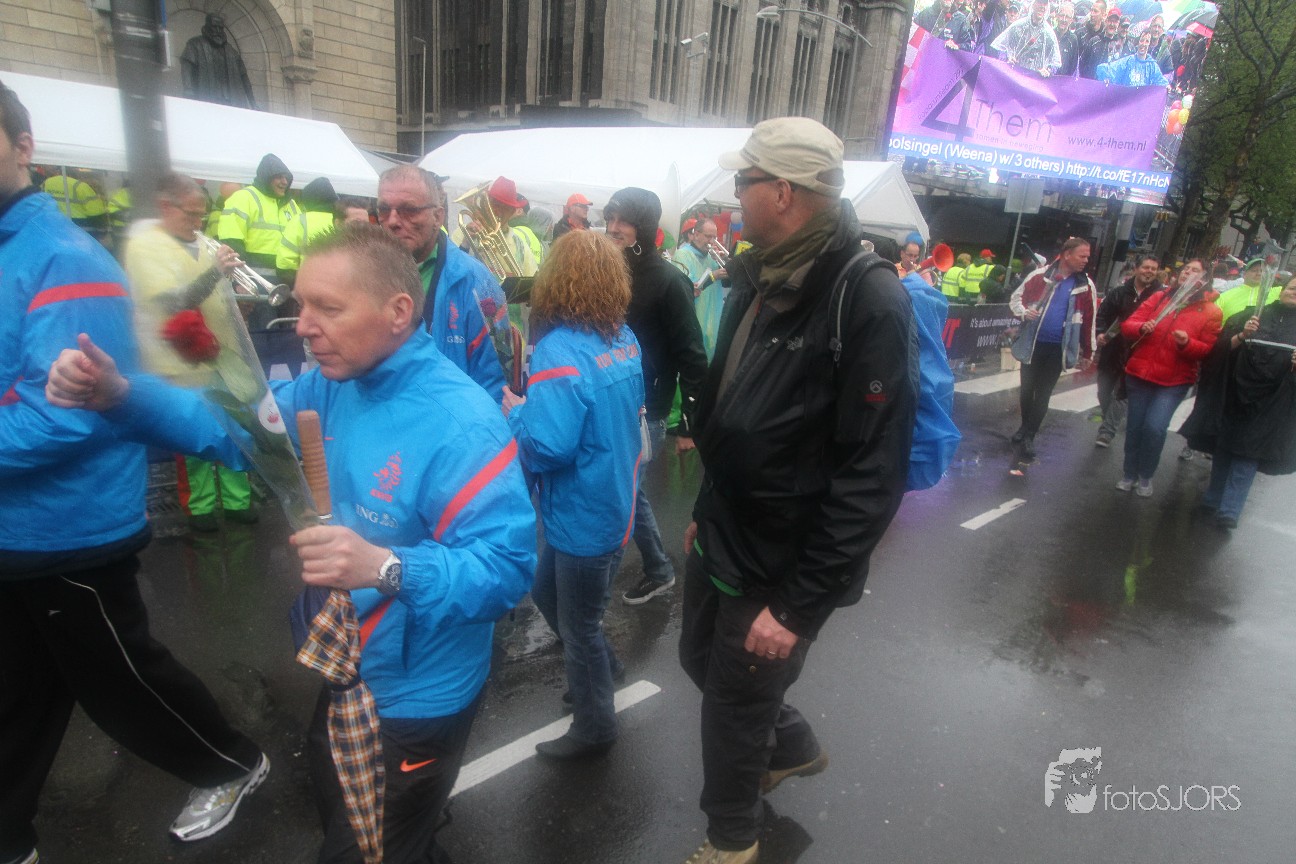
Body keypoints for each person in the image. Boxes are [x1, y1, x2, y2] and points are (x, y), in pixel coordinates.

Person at [45, 223, 537, 863]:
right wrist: (120, 395)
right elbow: (236, 429)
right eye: (301, 304)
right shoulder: (330, 383)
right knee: (363, 830)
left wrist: (386, 565)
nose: (302, 326)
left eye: (327, 307)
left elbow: (506, 569)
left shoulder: (461, 424)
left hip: (415, 700)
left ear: (398, 312)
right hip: (344, 671)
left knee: (367, 850)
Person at [0, 79, 266, 863]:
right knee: (21, 688)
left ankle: (233, 763)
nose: (198, 216)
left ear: (24, 147)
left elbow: (68, 412)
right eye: (191, 208)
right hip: (27, 520)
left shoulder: (64, 255)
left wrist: (210, 281)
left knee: (122, 683)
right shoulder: (100, 245)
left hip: (67, 527)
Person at [679, 117, 917, 864]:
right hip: (727, 532)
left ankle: (732, 839)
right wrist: (705, 510)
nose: (734, 195)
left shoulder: (867, 298)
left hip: (783, 562)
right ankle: (792, 745)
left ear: (782, 192)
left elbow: (872, 474)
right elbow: (733, 414)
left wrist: (797, 608)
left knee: (735, 705)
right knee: (699, 661)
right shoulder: (760, 272)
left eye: (744, 181)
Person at [501, 230, 644, 760]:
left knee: (579, 626)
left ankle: (595, 726)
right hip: (615, 498)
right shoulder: (624, 338)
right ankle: (606, 668)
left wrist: (517, 412)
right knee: (547, 593)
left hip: (583, 511)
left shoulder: (559, 350)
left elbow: (548, 447)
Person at [124, 172, 257, 531]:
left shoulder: (200, 242)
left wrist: (240, 294)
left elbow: (219, 298)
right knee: (192, 436)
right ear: (166, 206)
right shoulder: (145, 247)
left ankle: (238, 501)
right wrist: (216, 273)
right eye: (191, 214)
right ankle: (200, 508)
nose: (198, 222)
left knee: (232, 428)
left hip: (220, 354)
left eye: (202, 215)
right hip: (179, 361)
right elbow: (175, 303)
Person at [602, 187, 708, 607]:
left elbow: (693, 356)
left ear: (643, 228)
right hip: (609, 401)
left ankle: (588, 605)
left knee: (618, 497)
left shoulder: (668, 280)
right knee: (630, 492)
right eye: (610, 218)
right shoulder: (607, 269)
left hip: (647, 411)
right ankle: (660, 570)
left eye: (623, 221)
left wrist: (689, 424)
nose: (613, 228)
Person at [376, 165, 508, 398]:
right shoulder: (361, 275)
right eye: (384, 210)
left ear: (438, 217)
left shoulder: (477, 282)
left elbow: (496, 384)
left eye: (409, 210)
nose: (393, 220)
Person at [1182, 278, 1296, 528]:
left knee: (1248, 454)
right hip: (1236, 393)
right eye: (1292, 287)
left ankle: (1230, 511)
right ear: (1282, 290)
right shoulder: (1254, 315)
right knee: (1225, 447)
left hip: (1271, 403)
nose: (1294, 293)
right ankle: (1213, 498)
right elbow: (1221, 349)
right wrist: (1243, 334)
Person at [1117, 258, 1221, 496]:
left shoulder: (1211, 311)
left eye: (1195, 271)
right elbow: (1129, 324)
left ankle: (1145, 475)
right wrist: (1141, 327)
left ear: (1204, 280)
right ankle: (1129, 473)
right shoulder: (1159, 297)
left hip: (1174, 381)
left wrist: (1187, 343)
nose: (1187, 273)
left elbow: (1207, 350)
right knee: (1135, 427)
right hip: (1140, 373)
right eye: (1186, 269)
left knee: (1155, 427)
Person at [1008, 237, 1098, 458]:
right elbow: (1015, 299)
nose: (1086, 261)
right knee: (1027, 389)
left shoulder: (1086, 285)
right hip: (1033, 344)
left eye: (1087, 257)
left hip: (1058, 348)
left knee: (1044, 392)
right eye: (1082, 256)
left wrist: (1088, 351)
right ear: (1067, 254)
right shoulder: (1039, 276)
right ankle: (1024, 426)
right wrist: (1024, 312)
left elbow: (1090, 320)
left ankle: (1030, 436)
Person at [1093, 253, 1160, 447]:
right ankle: (1109, 417)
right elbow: (1102, 315)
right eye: (1146, 267)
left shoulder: (1160, 297)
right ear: (1136, 269)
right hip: (1113, 349)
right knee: (1103, 390)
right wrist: (1100, 333)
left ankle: (1107, 432)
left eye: (1153, 269)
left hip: (1139, 351)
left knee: (1123, 392)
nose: (1149, 272)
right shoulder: (1119, 292)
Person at [217, 153, 300, 277]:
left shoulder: (292, 205)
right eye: (279, 177)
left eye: (286, 177)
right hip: (252, 277)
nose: (284, 181)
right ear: (266, 177)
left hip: (288, 278)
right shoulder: (243, 198)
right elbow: (231, 241)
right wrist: (240, 277)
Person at [453, 175, 539, 277]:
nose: (498, 211)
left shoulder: (520, 245)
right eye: (494, 204)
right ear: (485, 203)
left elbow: (530, 279)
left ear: (512, 212)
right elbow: (451, 270)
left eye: (505, 208)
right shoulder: (463, 233)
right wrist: (465, 243)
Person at [674, 218, 730, 359]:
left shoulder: (712, 257)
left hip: (713, 319)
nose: (711, 241)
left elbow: (728, 283)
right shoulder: (683, 254)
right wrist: (713, 276)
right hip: (694, 319)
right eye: (708, 236)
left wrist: (727, 263)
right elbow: (687, 289)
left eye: (714, 237)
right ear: (696, 234)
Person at [181, 13, 258, 109]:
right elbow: (187, 67)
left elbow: (244, 78)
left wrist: (253, 103)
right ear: (206, 27)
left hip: (232, 103)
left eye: (220, 28)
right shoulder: (195, 44)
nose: (218, 31)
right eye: (214, 27)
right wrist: (188, 90)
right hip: (207, 100)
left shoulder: (232, 52)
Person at [276, 175, 339, 283]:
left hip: (307, 283)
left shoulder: (299, 220)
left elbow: (285, 263)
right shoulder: (343, 220)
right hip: (339, 284)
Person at [992, 0, 1062, 76]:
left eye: (1045, 4)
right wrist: (1007, 58)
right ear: (1033, 4)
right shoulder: (1018, 26)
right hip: (1015, 76)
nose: (1042, 6)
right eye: (1039, 2)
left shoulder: (1049, 34)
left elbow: (1055, 62)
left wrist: (1048, 70)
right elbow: (1000, 46)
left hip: (1034, 80)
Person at [1216, 259, 1281, 322]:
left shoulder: (1277, 292)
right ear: (1244, 274)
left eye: (1262, 271)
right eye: (1254, 270)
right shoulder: (1224, 297)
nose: (1259, 273)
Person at [1097, 31, 1169, 86]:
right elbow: (1107, 69)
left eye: (1147, 41)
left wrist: (1167, 87)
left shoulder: (1152, 66)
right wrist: (1106, 78)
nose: (1143, 44)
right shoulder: (1128, 61)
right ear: (1138, 42)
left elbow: (1161, 82)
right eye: (1142, 40)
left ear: (1149, 44)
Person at [1078, 9, 1122, 78]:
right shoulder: (1094, 41)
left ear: (1118, 24)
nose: (1112, 24)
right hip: (1091, 82)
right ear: (1106, 21)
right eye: (1110, 21)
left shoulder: (1120, 45)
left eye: (1115, 22)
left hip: (1110, 84)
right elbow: (1082, 63)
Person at [1054, 2, 1080, 75]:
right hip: (1048, 79)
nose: (1064, 19)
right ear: (1057, 16)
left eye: (1067, 17)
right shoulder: (1050, 34)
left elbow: (1074, 66)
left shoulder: (1073, 39)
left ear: (1071, 20)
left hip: (1064, 80)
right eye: (1062, 15)